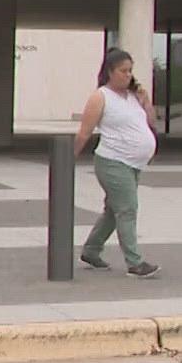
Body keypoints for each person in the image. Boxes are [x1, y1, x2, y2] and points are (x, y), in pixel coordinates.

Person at [75, 48, 161, 278]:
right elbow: (84, 132)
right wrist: (69, 158)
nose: (128, 75)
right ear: (110, 72)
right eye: (123, 71)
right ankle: (135, 262)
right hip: (113, 160)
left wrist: (146, 102)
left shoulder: (133, 96)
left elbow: (149, 122)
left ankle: (91, 250)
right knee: (128, 209)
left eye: (130, 71)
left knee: (114, 211)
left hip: (133, 163)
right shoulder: (100, 96)